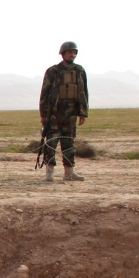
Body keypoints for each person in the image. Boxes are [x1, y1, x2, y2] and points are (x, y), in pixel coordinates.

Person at [39, 41, 89, 182]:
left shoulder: (80, 71)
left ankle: (69, 173)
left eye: (74, 52)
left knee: (69, 144)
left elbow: (84, 92)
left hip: (71, 113)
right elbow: (44, 93)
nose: (72, 55)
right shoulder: (53, 71)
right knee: (51, 143)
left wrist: (83, 112)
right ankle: (49, 174)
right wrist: (43, 114)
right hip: (54, 113)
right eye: (69, 52)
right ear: (63, 54)